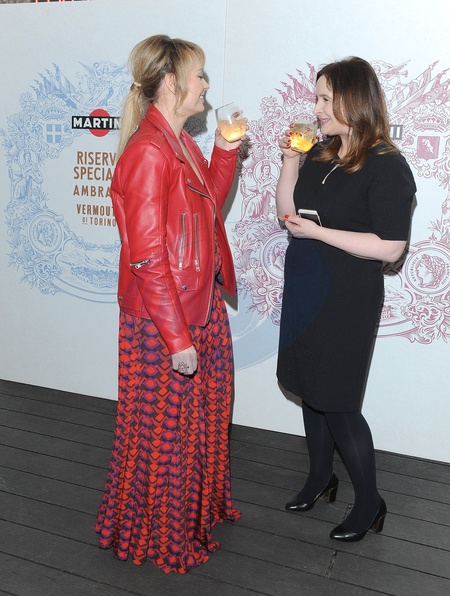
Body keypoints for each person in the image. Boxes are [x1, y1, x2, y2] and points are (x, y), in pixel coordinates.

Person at [94, 34, 245, 573]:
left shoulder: (178, 142)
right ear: (170, 82)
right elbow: (146, 257)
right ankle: (160, 532)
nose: (206, 84)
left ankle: (193, 515)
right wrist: (177, 339)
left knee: (198, 423)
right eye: (198, 75)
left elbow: (206, 204)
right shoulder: (148, 152)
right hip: (165, 320)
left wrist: (225, 148)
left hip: (197, 304)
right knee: (167, 436)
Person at [275, 57, 416, 542]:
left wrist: (320, 233)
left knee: (337, 401)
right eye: (316, 98)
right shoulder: (320, 152)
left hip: (347, 297)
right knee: (310, 389)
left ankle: (370, 502)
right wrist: (290, 163)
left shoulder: (387, 165)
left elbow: (391, 247)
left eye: (325, 99)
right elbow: (289, 215)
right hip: (305, 286)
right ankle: (320, 477)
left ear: (354, 101)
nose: (316, 109)